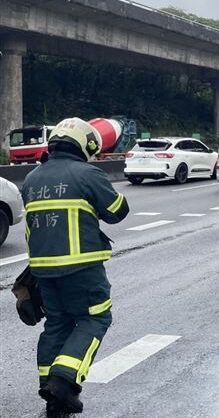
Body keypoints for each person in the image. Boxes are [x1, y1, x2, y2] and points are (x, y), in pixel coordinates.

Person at [22, 117, 129, 415]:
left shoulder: (32, 178)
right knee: (95, 319)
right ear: (85, 144)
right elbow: (117, 212)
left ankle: (51, 389)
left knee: (56, 324)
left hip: (42, 270)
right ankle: (64, 380)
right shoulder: (86, 173)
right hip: (81, 267)